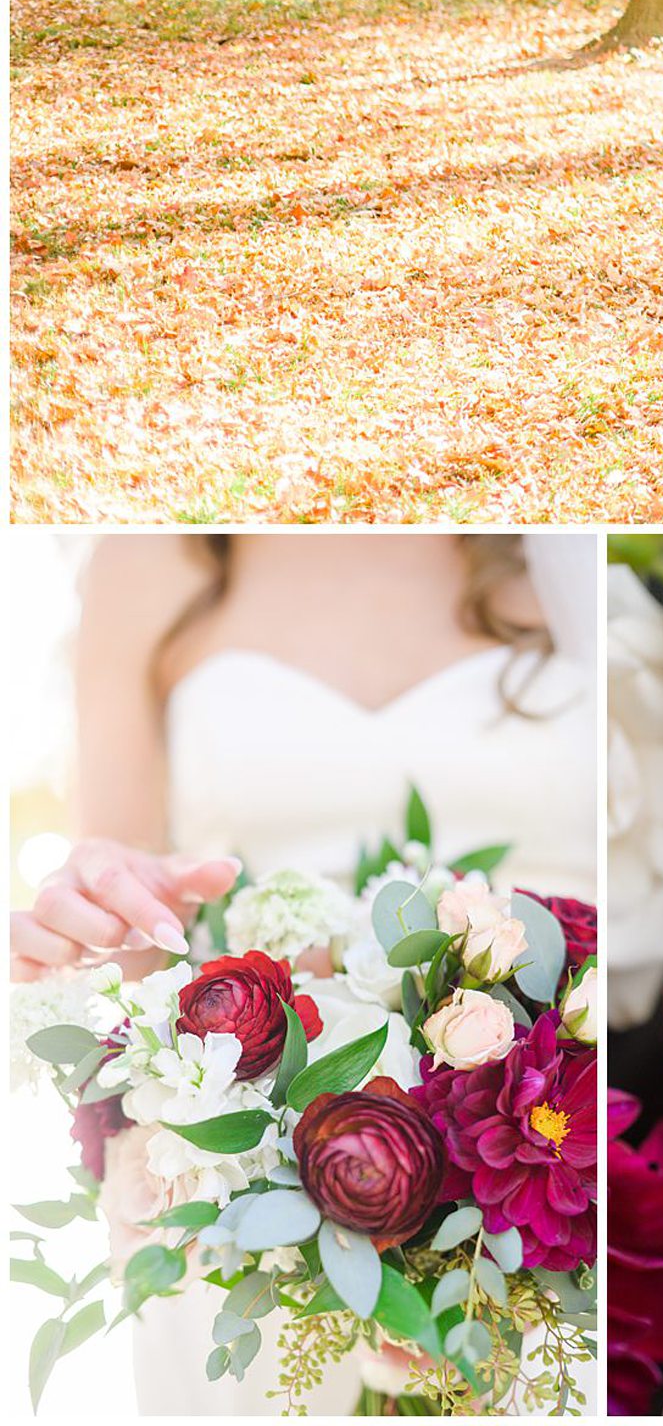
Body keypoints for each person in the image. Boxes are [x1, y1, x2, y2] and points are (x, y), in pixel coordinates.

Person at [10, 533, 597, 1417]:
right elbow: (136, 925)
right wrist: (94, 916)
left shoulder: (574, 545)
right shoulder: (149, 554)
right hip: (259, 1179)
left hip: (550, 1161)